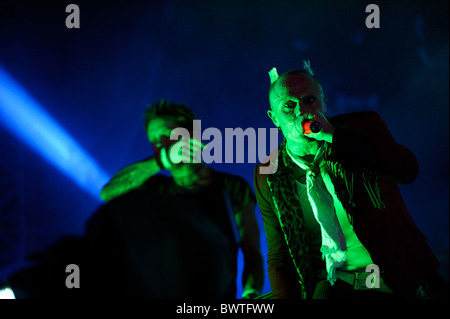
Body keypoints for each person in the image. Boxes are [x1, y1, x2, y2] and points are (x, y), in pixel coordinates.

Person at [253, 61, 447, 299]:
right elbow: (279, 256)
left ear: (324, 103)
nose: (301, 112)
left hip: (398, 270)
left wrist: (334, 136)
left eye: (310, 100)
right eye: (289, 106)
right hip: (337, 281)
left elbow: (408, 170)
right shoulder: (270, 173)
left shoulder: (361, 127)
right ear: (274, 118)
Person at [99, 99, 264, 299]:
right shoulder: (155, 189)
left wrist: (251, 294)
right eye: (154, 140)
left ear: (190, 134)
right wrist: (164, 159)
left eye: (166, 134)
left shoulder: (231, 187)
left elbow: (252, 251)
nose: (160, 144)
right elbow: (108, 193)